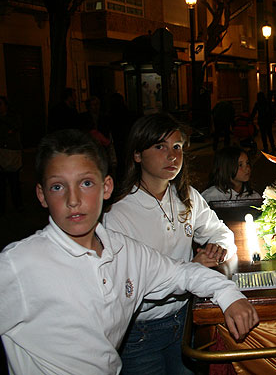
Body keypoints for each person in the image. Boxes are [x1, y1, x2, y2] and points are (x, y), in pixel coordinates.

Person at [0, 129, 258, 375]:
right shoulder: (19, 264)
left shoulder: (123, 251)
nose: (73, 199)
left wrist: (228, 294)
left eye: (86, 183)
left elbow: (183, 273)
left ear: (106, 187)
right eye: (58, 186)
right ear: (42, 195)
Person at [102, 113, 241, 375]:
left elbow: (221, 232)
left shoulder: (185, 196)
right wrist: (190, 269)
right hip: (140, 332)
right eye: (160, 146)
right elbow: (127, 287)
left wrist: (218, 249)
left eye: (177, 147)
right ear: (137, 154)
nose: (172, 155)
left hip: (184, 320)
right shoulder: (119, 213)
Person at [0, 96, 23, 214]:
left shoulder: (12, 118)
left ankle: (18, 204)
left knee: (14, 181)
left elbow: (15, 128)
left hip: (11, 152)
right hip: (2, 153)